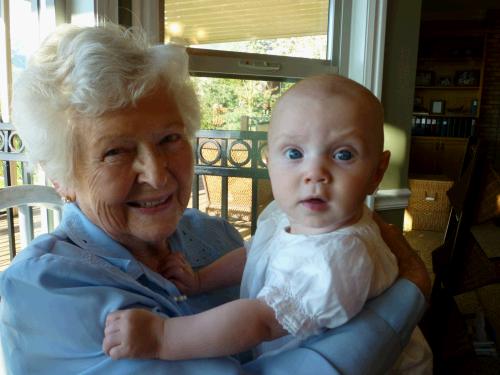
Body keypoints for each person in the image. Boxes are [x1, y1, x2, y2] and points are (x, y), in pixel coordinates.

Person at [0, 22, 430, 375]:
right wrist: (410, 291)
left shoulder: (211, 234)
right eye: (116, 151)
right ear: (62, 178)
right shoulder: (45, 289)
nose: (157, 173)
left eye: (170, 138)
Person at [103, 75, 432, 373]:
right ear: (268, 160)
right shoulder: (289, 213)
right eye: (293, 153)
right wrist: (201, 280)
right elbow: (256, 252)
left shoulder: (336, 256)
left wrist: (162, 337)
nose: (314, 173)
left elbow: (260, 321)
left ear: (377, 172)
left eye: (343, 155)